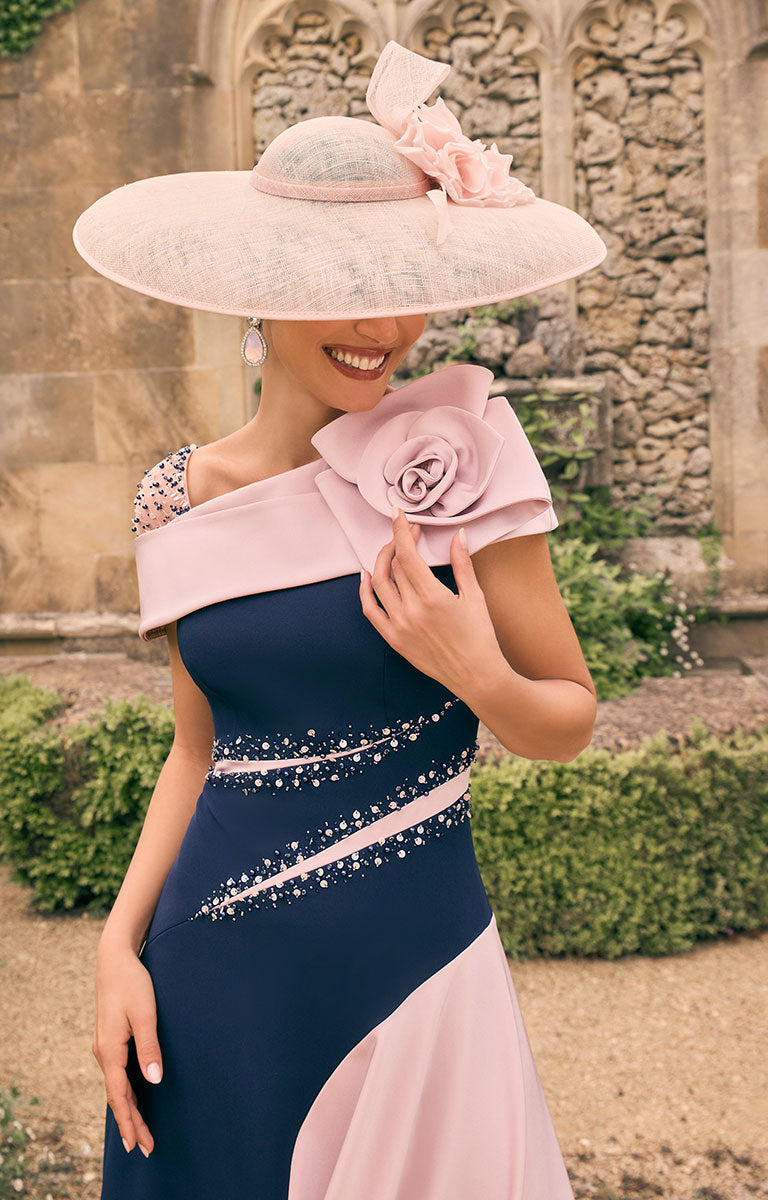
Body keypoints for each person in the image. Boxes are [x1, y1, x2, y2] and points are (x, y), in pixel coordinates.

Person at [73, 38, 605, 1200]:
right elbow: (197, 750)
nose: (389, 328)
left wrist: (480, 675)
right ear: (264, 294)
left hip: (415, 976)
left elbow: (567, 718)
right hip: (207, 976)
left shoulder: (465, 464)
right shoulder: (175, 495)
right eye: (346, 290)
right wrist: (118, 946)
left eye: (405, 292)